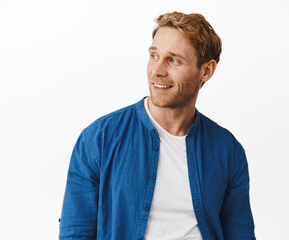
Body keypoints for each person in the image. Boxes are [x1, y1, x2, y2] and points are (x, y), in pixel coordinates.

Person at [59, 11, 256, 240]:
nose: (157, 71)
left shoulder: (227, 150)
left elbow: (240, 233)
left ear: (206, 70)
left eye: (173, 60)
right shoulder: (98, 139)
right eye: (154, 56)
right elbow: (75, 233)